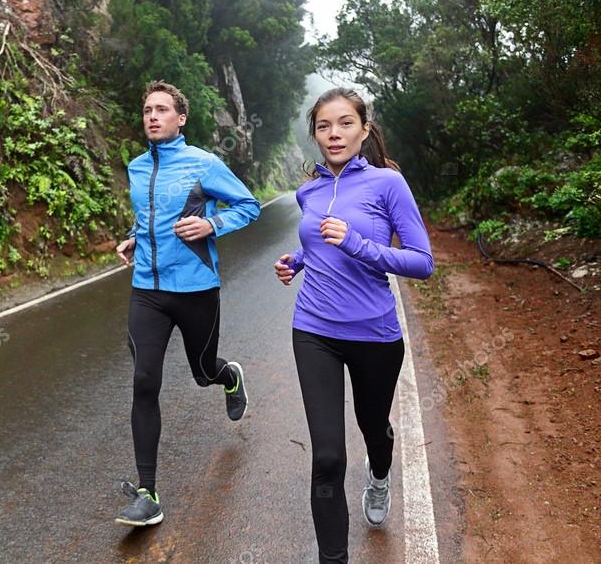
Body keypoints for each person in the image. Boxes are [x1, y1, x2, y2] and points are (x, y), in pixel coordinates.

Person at [274, 87, 433, 563]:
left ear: (364, 129)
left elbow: (423, 262)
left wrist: (359, 246)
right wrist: (298, 261)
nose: (334, 133)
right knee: (326, 458)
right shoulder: (310, 189)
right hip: (314, 330)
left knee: (373, 429)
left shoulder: (388, 184)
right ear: (315, 135)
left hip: (375, 335)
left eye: (345, 123)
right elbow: (320, 242)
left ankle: (380, 475)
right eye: (324, 126)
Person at [113, 80, 260, 527]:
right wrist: (137, 238)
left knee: (202, 372)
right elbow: (151, 217)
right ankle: (148, 492)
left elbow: (249, 206)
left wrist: (211, 225)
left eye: (161, 110)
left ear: (180, 119)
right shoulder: (137, 167)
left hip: (196, 289)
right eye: (146, 110)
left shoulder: (205, 164)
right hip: (148, 291)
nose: (152, 116)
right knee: (144, 380)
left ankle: (227, 375)